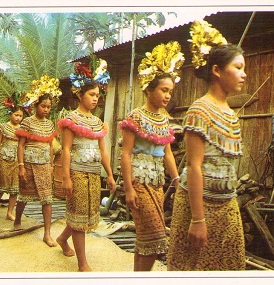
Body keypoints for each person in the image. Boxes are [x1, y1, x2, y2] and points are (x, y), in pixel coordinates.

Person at [166, 20, 247, 270]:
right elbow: (194, 166)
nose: (244, 74)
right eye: (238, 67)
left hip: (228, 204)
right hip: (199, 208)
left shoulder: (231, 113)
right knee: (193, 268)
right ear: (217, 70)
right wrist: (198, 219)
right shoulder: (199, 110)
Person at [119, 41, 183, 271]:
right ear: (149, 89)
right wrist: (128, 188)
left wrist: (176, 180)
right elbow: (125, 154)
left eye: (170, 92)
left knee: (146, 238)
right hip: (138, 180)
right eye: (163, 90)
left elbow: (167, 153)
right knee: (155, 238)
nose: (167, 96)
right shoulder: (134, 116)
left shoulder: (165, 118)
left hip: (157, 182)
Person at [56, 55, 116, 272]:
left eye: (98, 95)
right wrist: (66, 177)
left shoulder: (98, 123)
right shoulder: (71, 119)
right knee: (79, 214)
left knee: (85, 215)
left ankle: (63, 239)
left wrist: (109, 175)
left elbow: (103, 150)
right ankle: (82, 263)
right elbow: (65, 149)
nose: (95, 99)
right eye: (91, 94)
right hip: (77, 173)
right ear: (80, 95)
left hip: (93, 173)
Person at [14, 75, 62, 247]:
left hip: (44, 166)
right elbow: (20, 146)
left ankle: (47, 234)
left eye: (49, 107)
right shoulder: (26, 122)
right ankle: (17, 219)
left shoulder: (50, 124)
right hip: (28, 164)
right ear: (35, 105)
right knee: (24, 196)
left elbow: (50, 146)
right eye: (43, 106)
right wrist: (21, 166)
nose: (46, 109)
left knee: (47, 199)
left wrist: (51, 165)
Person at [0, 97, 24, 221]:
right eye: (16, 115)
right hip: (4, 159)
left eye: (20, 116)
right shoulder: (2, 128)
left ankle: (10, 212)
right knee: (2, 185)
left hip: (17, 160)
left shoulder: (22, 129)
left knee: (15, 188)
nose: (18, 118)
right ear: (10, 114)